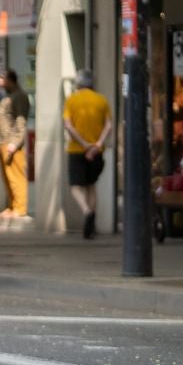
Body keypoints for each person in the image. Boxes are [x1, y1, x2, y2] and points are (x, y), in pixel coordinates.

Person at [62, 69, 112, 239]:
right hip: (97, 151)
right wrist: (97, 144)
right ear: (92, 83)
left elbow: (68, 125)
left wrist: (84, 145)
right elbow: (109, 126)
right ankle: (92, 223)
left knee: (75, 186)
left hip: (77, 150)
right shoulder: (101, 100)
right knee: (91, 185)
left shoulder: (71, 100)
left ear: (78, 83)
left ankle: (86, 211)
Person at [0, 69, 30, 219]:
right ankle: (12, 206)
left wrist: (15, 143)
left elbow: (21, 122)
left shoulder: (19, 96)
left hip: (11, 144)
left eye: (3, 78)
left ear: (11, 80)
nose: (0, 81)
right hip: (2, 143)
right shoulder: (9, 96)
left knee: (16, 177)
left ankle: (20, 208)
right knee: (8, 178)